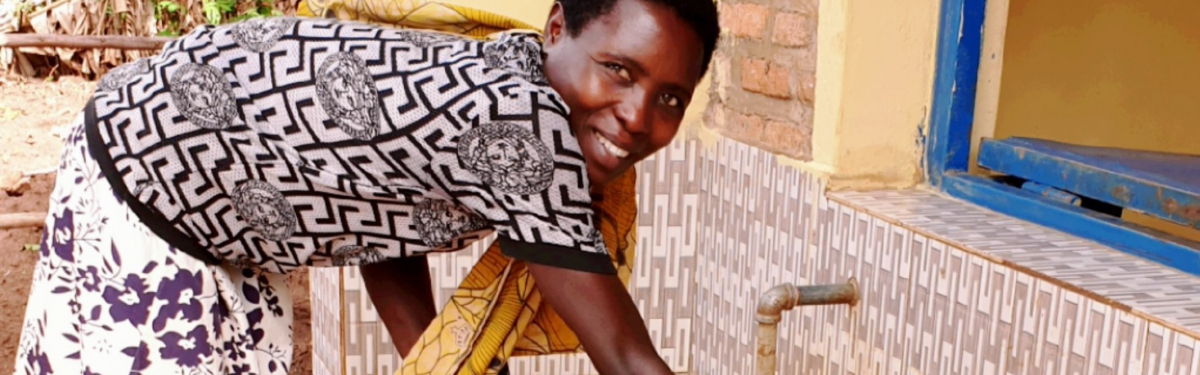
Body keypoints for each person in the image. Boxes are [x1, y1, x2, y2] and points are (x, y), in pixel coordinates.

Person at [12, 0, 718, 374]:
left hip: (205, 196)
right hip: (146, 182)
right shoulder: (524, 127)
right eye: (620, 70)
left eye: (671, 99)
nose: (635, 117)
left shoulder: (512, 72)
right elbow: (627, 358)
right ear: (557, 27)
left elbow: (381, 211)